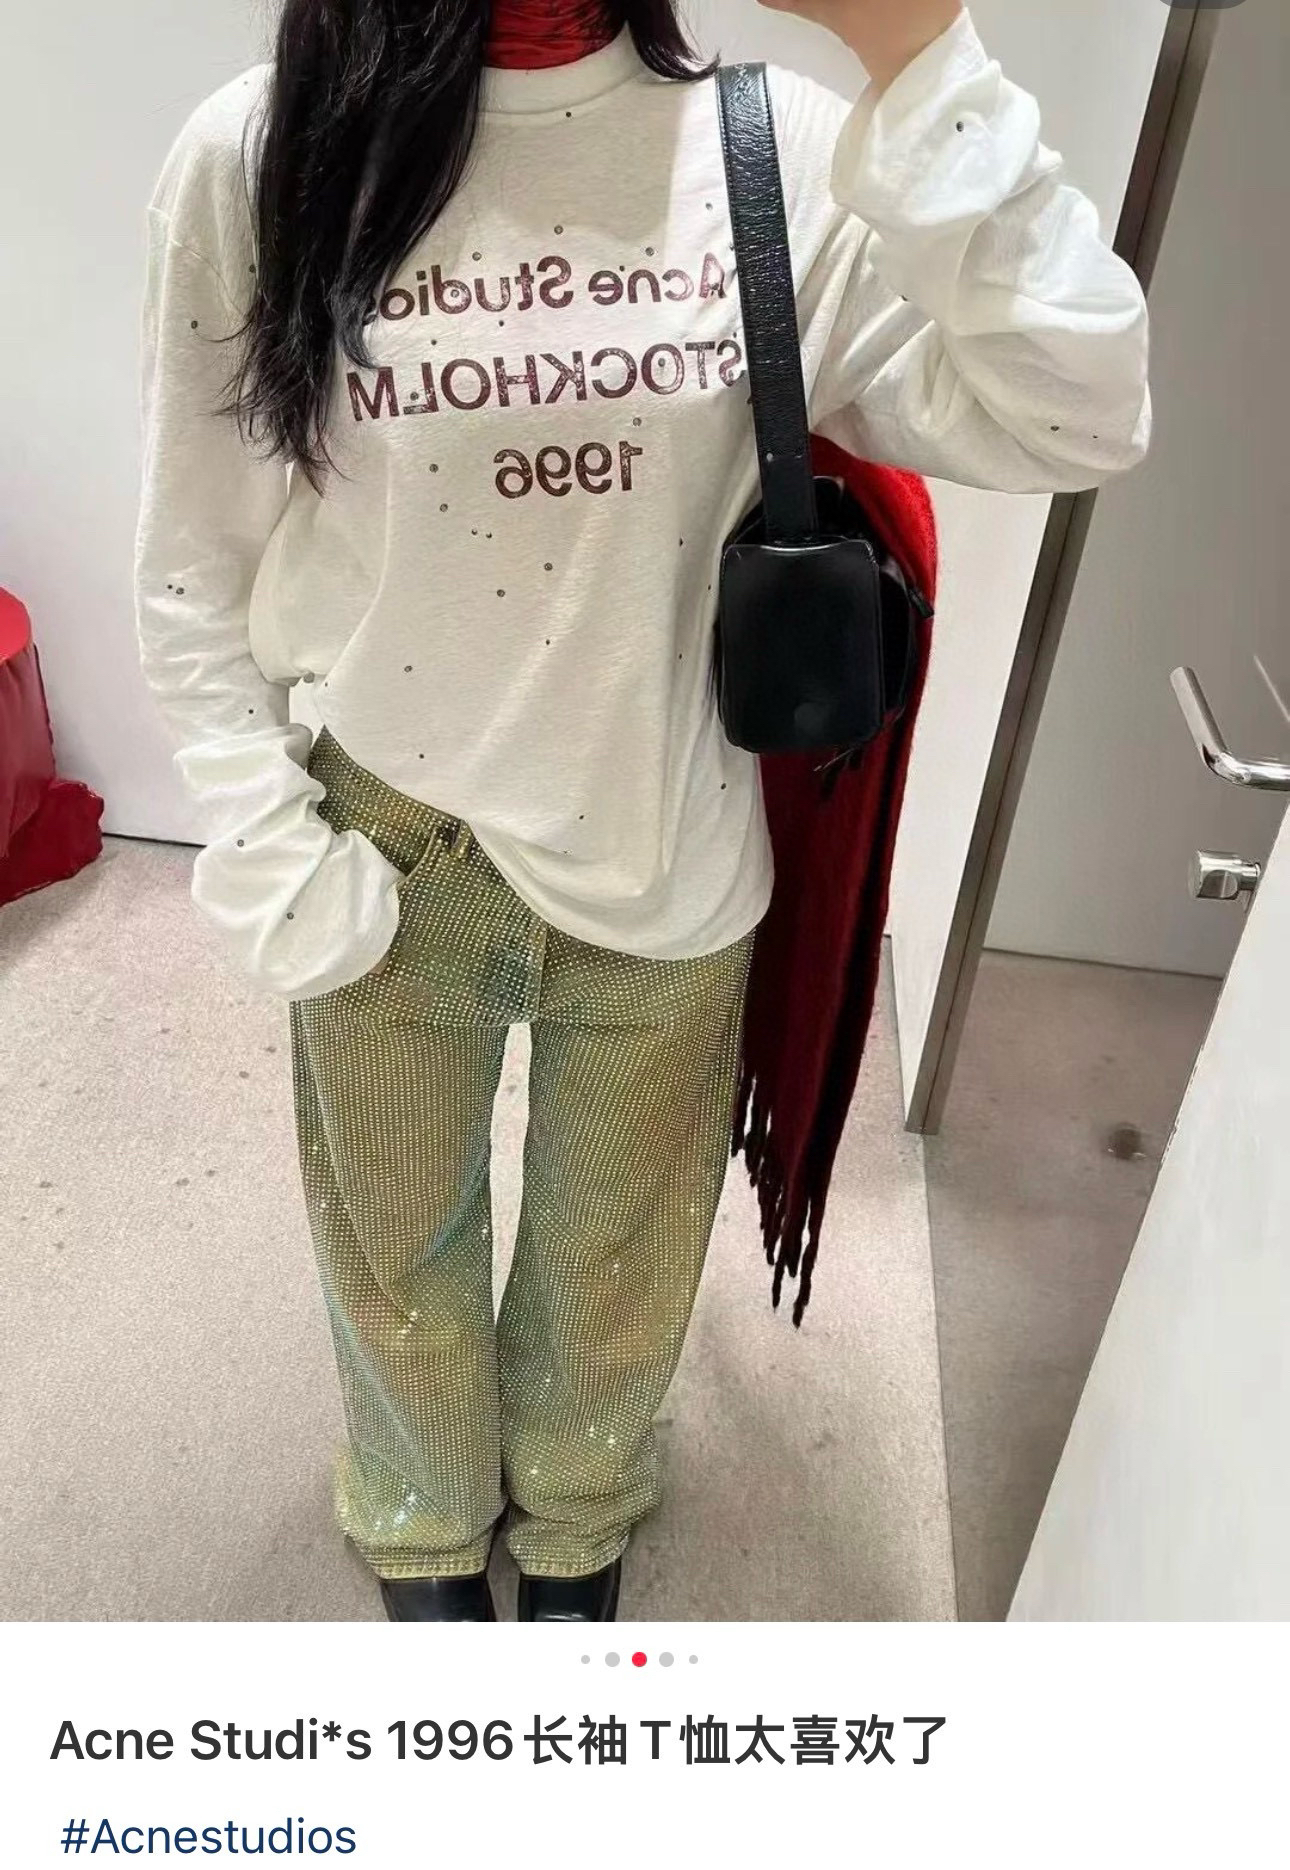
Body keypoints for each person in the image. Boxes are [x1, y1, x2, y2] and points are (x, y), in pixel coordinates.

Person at [134, 0, 1151, 1622]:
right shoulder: (266, 152)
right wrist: (260, 832)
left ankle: (578, 1514)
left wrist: (923, 64)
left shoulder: (769, 155)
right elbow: (193, 556)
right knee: (394, 1242)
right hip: (391, 835)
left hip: (666, 832)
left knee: (615, 1251)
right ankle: (418, 1511)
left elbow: (1077, 413)